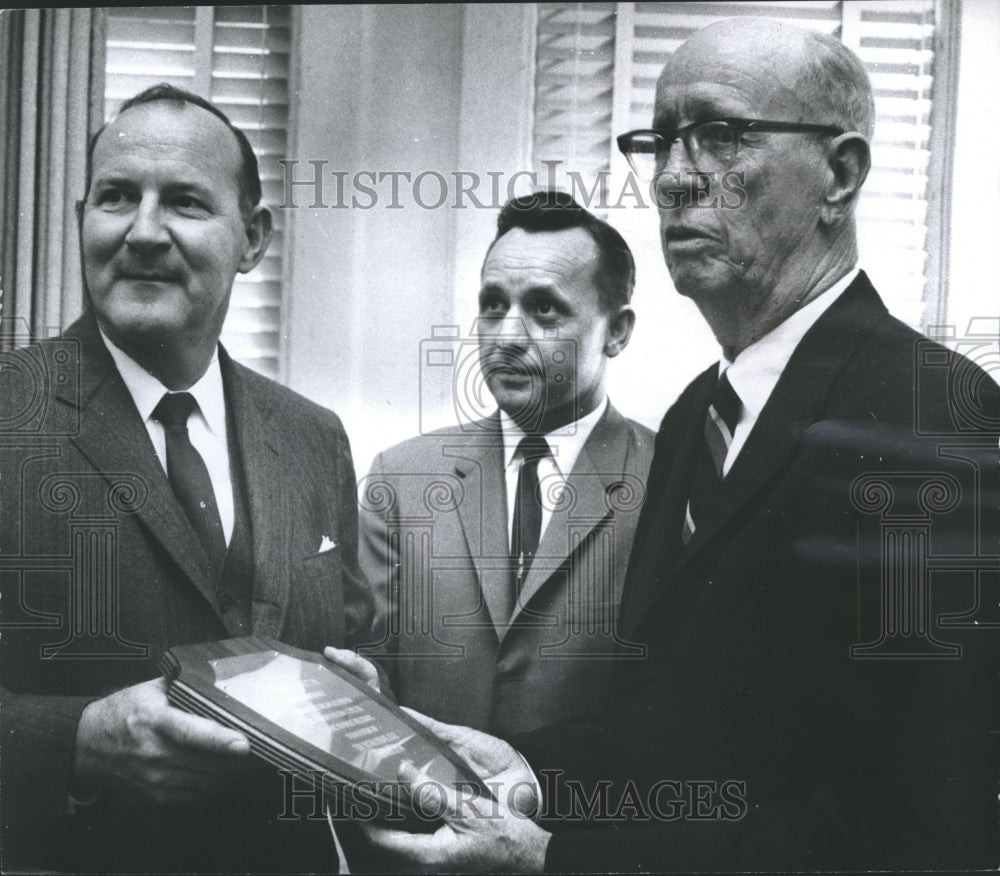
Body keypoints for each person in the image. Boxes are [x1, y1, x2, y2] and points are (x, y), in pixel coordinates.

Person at [337, 18, 1000, 873]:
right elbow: (666, 730)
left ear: (840, 173)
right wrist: (531, 772)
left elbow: (931, 829)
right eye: (661, 142)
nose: (677, 181)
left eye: (721, 137)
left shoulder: (933, 417)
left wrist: (553, 862)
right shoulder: (698, 417)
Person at [0, 84, 373, 873]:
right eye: (115, 197)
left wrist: (362, 693)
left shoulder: (313, 437)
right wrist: (79, 740)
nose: (142, 232)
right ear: (80, 220)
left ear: (253, 238)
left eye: (185, 203)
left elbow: (352, 639)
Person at [357, 192, 654, 738]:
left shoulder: (669, 482)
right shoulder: (401, 479)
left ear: (617, 331)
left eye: (545, 309)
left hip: (585, 818)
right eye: (493, 305)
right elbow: (365, 672)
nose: (508, 336)